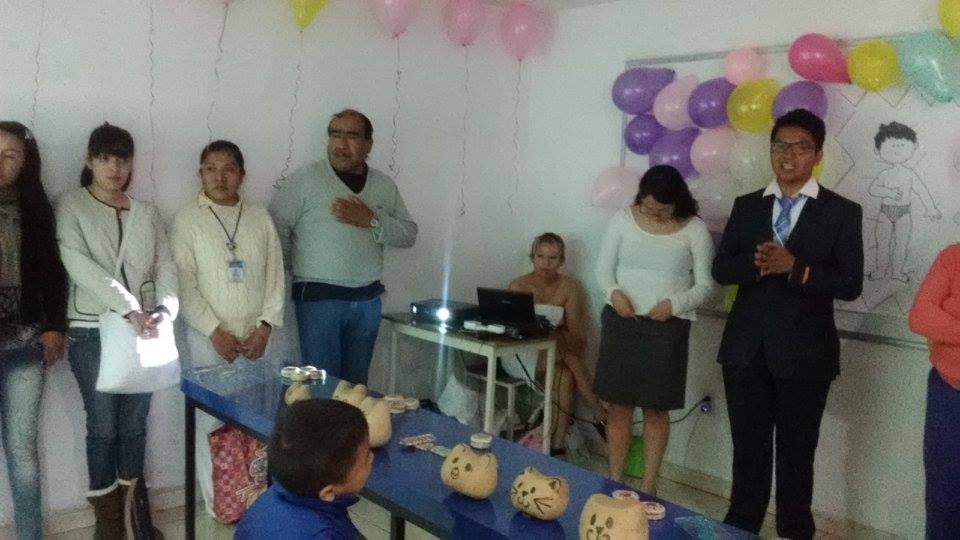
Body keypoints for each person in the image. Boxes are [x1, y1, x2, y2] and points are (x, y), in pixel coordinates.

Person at [712, 108, 863, 539]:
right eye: (780, 146)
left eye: (800, 148)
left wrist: (797, 268)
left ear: (817, 154)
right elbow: (721, 269)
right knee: (748, 450)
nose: (788, 156)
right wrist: (758, 266)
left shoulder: (841, 212)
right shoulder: (747, 205)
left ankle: (795, 531)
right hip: (745, 350)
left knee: (797, 454)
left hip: (805, 354)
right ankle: (741, 527)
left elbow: (850, 284)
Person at [57, 123, 178, 539]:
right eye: (105, 158)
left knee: (135, 426)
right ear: (89, 161)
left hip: (145, 332)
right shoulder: (71, 205)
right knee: (103, 426)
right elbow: (77, 263)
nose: (114, 167)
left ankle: (135, 519)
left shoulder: (147, 212)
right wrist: (129, 307)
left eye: (122, 158)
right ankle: (108, 526)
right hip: (92, 330)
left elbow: (165, 265)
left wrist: (164, 309)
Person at [171, 140, 284, 518]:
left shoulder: (259, 217)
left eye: (228, 169)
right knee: (211, 422)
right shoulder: (187, 220)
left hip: (256, 340)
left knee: (259, 420)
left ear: (242, 175)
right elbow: (184, 283)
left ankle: (258, 502)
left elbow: (275, 276)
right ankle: (221, 507)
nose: (220, 177)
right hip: (209, 340)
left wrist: (265, 327)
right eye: (211, 169)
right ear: (200, 174)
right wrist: (213, 330)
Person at [270, 109, 417, 384]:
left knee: (357, 387)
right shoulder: (305, 180)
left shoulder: (384, 185)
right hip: (319, 299)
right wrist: (299, 266)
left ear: (368, 144)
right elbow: (276, 231)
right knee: (322, 385)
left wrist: (372, 220)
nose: (341, 143)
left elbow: (408, 234)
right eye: (335, 135)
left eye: (352, 136)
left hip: (367, 299)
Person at [593, 164, 715, 493]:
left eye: (663, 210)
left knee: (656, 410)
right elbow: (603, 270)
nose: (655, 215)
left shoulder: (695, 229)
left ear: (678, 202)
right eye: (648, 208)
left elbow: (706, 286)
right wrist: (613, 293)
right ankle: (614, 479)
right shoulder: (622, 219)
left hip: (667, 329)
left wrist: (674, 304)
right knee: (618, 405)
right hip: (621, 322)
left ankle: (649, 486)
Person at [0, 121, 68, 539]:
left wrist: (55, 326)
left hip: (25, 346)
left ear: (25, 162)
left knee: (22, 450)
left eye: (10, 156)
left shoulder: (37, 208)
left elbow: (53, 274)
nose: (0, 163)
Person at [507, 233, 604, 455]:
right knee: (566, 355)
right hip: (520, 353)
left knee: (565, 374)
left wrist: (556, 335)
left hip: (556, 350)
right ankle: (598, 411)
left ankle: (557, 445)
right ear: (532, 257)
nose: (546, 263)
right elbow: (509, 332)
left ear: (562, 260)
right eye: (540, 256)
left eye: (553, 258)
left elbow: (578, 338)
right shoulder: (518, 286)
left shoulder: (570, 287)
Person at [235, 399, 373, 539]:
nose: (372, 458)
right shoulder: (323, 535)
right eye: (366, 457)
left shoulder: (281, 489)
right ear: (328, 492)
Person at [908, 245, 960, 539]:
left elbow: (935, 318)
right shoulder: (952, 257)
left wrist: (947, 324)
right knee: (945, 498)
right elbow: (920, 316)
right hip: (950, 397)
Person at [867, 121, 940, 282]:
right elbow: (873, 189)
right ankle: (880, 270)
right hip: (885, 212)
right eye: (892, 146)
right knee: (883, 244)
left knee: (901, 245)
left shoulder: (910, 174)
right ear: (878, 150)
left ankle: (897, 272)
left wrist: (931, 208)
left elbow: (922, 191)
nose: (897, 150)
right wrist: (889, 193)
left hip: (904, 213)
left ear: (914, 146)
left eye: (901, 145)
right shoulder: (885, 174)